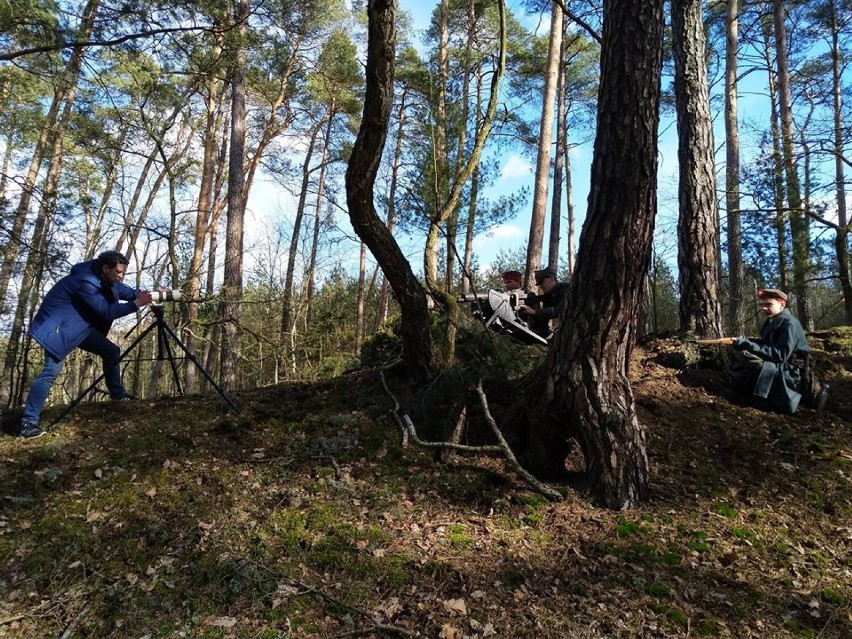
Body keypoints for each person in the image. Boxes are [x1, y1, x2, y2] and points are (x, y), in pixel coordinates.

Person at [15, 251, 153, 438]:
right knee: (50, 372)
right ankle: (28, 423)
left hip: (79, 330)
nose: (121, 276)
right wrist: (137, 304)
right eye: (119, 272)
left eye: (123, 272)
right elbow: (106, 311)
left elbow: (129, 292)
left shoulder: (108, 281)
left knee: (111, 351)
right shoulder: (85, 282)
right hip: (59, 331)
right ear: (106, 268)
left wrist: (152, 294)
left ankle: (118, 394)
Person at [727, 288, 829, 414]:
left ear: (782, 304)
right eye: (761, 305)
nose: (764, 308)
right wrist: (743, 343)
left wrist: (748, 345)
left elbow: (780, 355)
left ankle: (767, 399)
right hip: (780, 366)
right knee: (744, 356)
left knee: (751, 359)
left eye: (769, 304)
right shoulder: (772, 320)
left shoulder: (789, 323)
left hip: (792, 372)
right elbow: (767, 345)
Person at [518, 268, 570, 339]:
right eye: (539, 284)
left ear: (551, 279)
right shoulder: (549, 295)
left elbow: (560, 310)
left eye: (542, 282)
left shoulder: (566, 289)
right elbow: (544, 319)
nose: (541, 286)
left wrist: (535, 312)